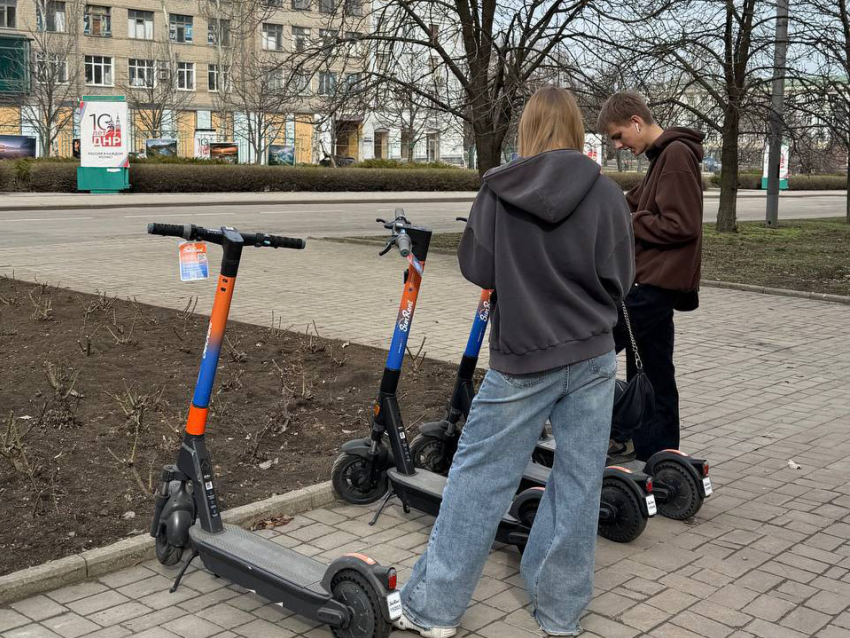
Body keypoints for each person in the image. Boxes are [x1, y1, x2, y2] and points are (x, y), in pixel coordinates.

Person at [393, 87, 635, 638]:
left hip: (523, 356)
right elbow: (621, 277)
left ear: (526, 128)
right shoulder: (605, 194)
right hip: (593, 355)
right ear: (577, 129)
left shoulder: (498, 190)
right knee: (577, 485)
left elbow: (478, 266)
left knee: (478, 479)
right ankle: (560, 613)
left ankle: (434, 610)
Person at [596, 91, 705, 463]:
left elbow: (682, 224)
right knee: (653, 370)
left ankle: (613, 434)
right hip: (657, 282)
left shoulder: (675, 156)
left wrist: (630, 222)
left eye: (618, 136)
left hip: (654, 283)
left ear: (636, 123)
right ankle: (658, 454)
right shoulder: (664, 156)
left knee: (590, 350)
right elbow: (634, 201)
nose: (618, 145)